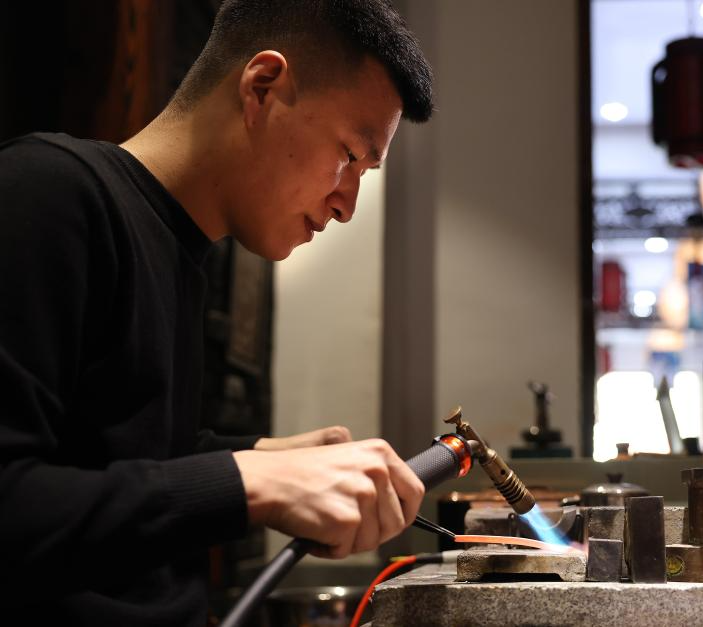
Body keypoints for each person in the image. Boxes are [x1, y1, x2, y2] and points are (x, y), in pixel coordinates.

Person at [0, 1, 432, 624]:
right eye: (349, 156)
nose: (347, 205)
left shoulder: (179, 251)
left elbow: (117, 454)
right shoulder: (46, 192)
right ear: (262, 87)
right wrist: (255, 482)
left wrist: (267, 454)